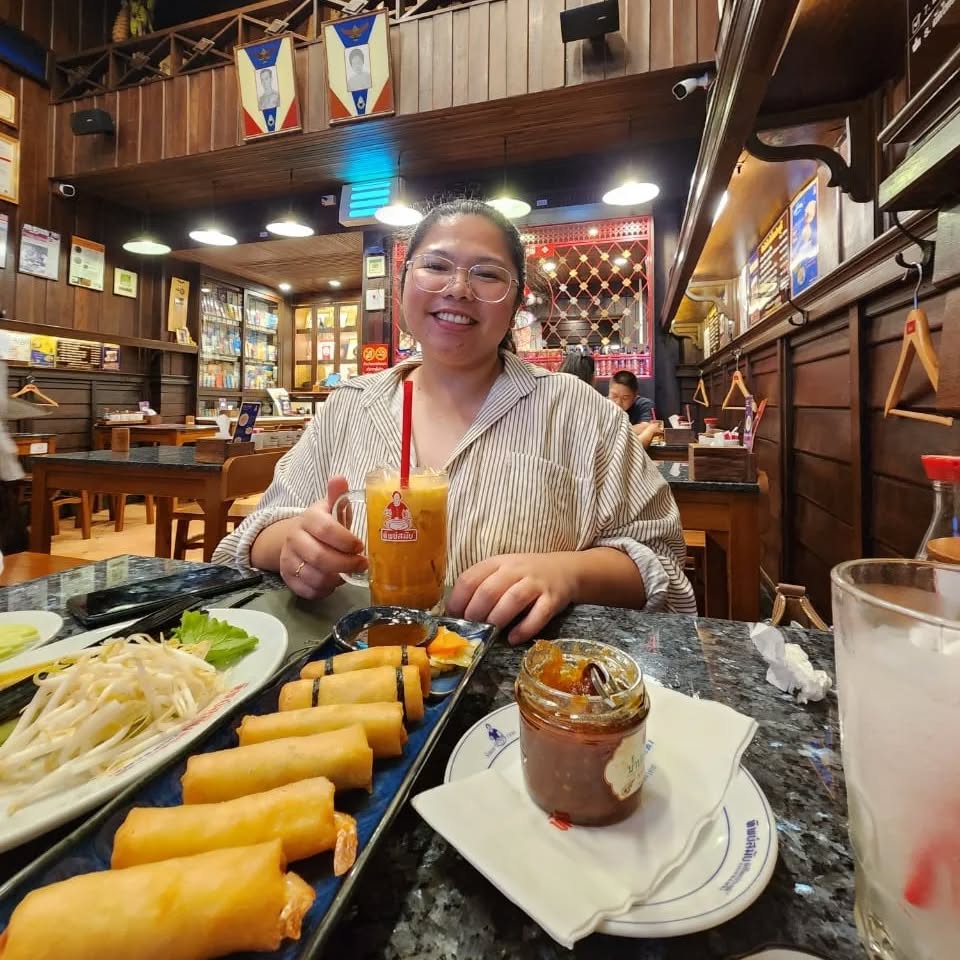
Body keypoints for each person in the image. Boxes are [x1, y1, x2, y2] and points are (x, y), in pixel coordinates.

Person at [214, 199, 695, 641]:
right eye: (436, 266)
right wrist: (292, 548)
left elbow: (664, 569)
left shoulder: (581, 413)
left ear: (515, 302)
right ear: (403, 285)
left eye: (487, 274)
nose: (458, 288)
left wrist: (566, 574)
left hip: (514, 694)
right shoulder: (348, 407)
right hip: (354, 674)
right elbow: (252, 534)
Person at [608, 369, 661, 447]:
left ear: (635, 395)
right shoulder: (603, 404)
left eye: (625, 398)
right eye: (614, 396)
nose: (618, 402)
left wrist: (611, 432)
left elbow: (646, 427)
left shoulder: (644, 404)